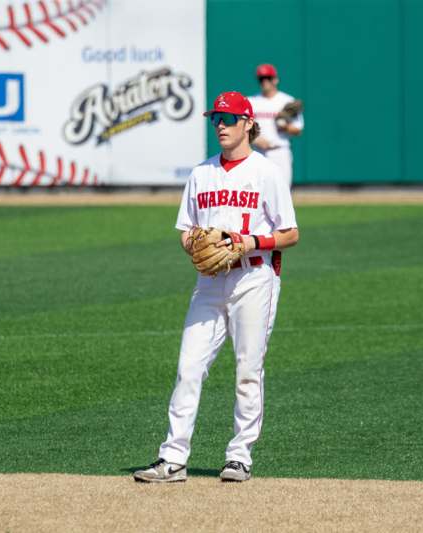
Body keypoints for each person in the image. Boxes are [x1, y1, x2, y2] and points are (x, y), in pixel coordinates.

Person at [133, 91, 299, 483]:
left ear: (247, 123)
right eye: (215, 119)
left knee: (247, 368)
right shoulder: (201, 173)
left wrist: (250, 242)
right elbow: (186, 231)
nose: (220, 125)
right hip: (209, 282)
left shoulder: (266, 173)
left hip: (253, 277)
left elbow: (290, 234)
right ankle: (172, 458)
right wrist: (193, 243)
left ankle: (239, 456)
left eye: (226, 118)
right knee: (188, 367)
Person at [248, 64, 304, 188]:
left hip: (280, 152)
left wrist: (285, 127)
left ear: (275, 79)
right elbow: (241, 128)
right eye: (261, 78)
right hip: (258, 152)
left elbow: (298, 130)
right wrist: (254, 139)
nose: (264, 81)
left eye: (267, 77)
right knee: (257, 194)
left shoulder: (286, 100)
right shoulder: (251, 101)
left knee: (282, 194)